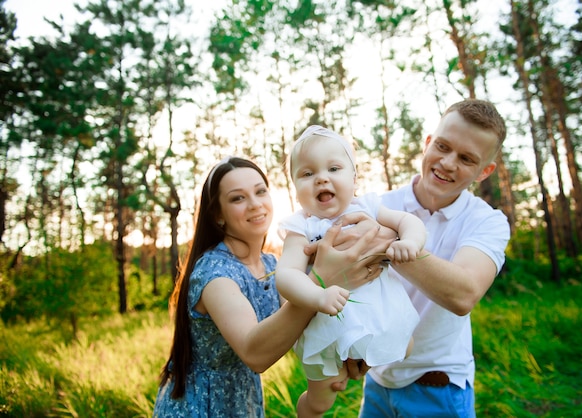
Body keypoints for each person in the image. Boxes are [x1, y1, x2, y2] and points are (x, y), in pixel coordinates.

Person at [152, 156, 380, 418]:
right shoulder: (214, 272)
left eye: (261, 191)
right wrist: (320, 281)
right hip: (198, 407)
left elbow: (300, 327)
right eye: (238, 198)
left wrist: (347, 353)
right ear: (217, 215)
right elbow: (255, 352)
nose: (255, 204)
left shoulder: (272, 264)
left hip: (243, 404)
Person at [348, 98, 511, 417]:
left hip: (439, 389)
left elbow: (463, 293)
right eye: (443, 146)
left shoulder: (487, 221)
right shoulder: (380, 205)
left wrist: (387, 241)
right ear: (427, 143)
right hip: (377, 380)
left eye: (466, 158)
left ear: (484, 171)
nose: (448, 163)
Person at [275, 126, 427, 418]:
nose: (321, 177)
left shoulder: (368, 207)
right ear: (294, 188)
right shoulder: (301, 227)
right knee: (321, 401)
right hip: (325, 322)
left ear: (354, 178)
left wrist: (410, 242)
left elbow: (410, 221)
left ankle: (358, 359)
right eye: (307, 174)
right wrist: (318, 295)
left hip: (379, 313)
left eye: (334, 168)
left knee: (406, 346)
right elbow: (287, 276)